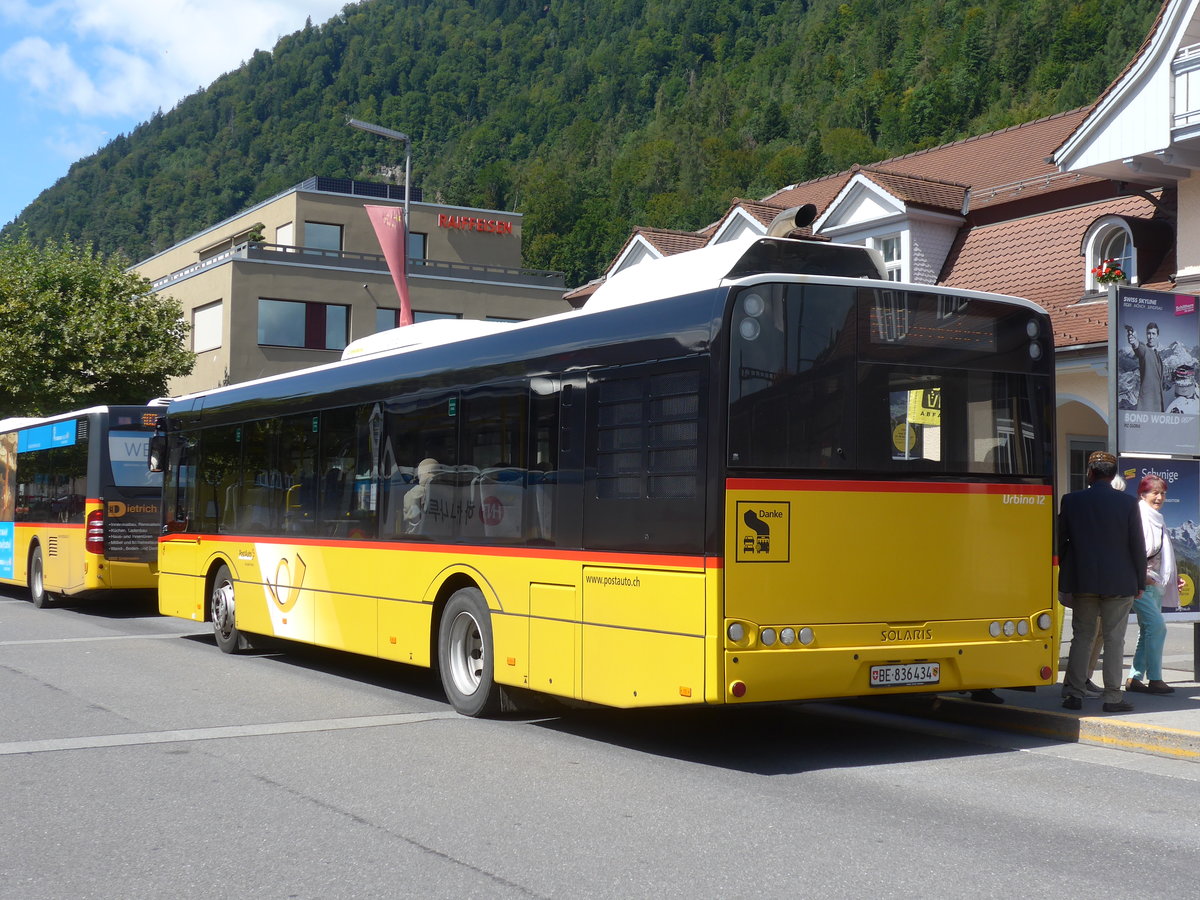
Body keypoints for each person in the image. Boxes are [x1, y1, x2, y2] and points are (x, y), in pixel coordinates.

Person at [1058, 451, 1146, 713]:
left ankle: (1074, 694)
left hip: (1083, 581)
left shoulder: (1071, 501)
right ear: (1112, 475)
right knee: (1114, 640)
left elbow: (1060, 545)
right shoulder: (1128, 503)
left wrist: (1065, 579)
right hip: (1120, 582)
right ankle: (1112, 698)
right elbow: (1137, 546)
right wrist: (1139, 581)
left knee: (1082, 637)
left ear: (1090, 473)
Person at [1127, 474, 1177, 695]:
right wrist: (1140, 575)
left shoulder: (1158, 518)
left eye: (1163, 493)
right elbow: (1130, 551)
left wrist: (1174, 578)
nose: (1159, 497)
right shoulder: (1138, 516)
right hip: (1141, 582)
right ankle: (1155, 679)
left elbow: (1162, 555)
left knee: (1148, 629)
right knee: (1157, 626)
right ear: (1142, 493)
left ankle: (1134, 678)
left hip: (1155, 582)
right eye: (1155, 492)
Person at [1127, 322, 1165, 412]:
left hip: (1159, 406)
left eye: (1153, 333)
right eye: (1148, 333)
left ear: (1157, 336)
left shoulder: (1157, 354)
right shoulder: (1145, 351)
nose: (1151, 337)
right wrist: (1134, 342)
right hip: (1147, 406)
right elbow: (1138, 347)